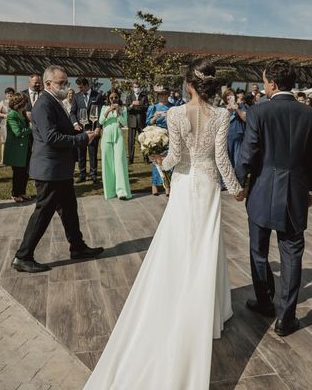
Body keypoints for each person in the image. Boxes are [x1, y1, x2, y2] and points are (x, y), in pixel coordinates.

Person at [83, 60, 243, 390]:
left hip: (185, 185)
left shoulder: (174, 114)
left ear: (188, 85)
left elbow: (173, 157)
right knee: (206, 245)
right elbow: (222, 158)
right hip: (210, 184)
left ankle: (182, 296)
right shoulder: (221, 116)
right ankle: (208, 312)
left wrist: (159, 162)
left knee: (180, 245)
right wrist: (237, 188)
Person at [235, 59, 312, 338]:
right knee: (292, 253)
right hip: (296, 191)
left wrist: (237, 183)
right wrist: (311, 190)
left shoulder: (258, 111)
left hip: (261, 190)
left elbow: (248, 153)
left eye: (264, 80)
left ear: (272, 83)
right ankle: (287, 317)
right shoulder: (310, 114)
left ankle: (264, 302)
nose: (263, 85)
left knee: (258, 250)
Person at [12, 66, 103, 273]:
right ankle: (22, 256)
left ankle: (78, 247)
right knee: (43, 212)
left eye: (66, 82)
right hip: (49, 169)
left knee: (69, 208)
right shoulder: (44, 104)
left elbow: (60, 131)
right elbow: (50, 137)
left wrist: (76, 129)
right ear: (48, 84)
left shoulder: (56, 102)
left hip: (59, 169)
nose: (65, 86)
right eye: (61, 83)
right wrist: (80, 139)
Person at [98, 90, 131, 200]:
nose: (113, 99)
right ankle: (110, 191)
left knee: (120, 163)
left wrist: (118, 112)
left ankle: (121, 191)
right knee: (107, 163)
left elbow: (124, 123)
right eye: (111, 98)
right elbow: (101, 121)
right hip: (106, 136)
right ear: (108, 98)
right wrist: (108, 111)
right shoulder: (103, 108)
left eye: (116, 97)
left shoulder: (123, 109)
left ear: (119, 97)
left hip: (118, 136)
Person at [70, 77, 104, 183]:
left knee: (93, 152)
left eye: (81, 87)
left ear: (86, 85)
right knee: (81, 153)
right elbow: (72, 112)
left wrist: (99, 127)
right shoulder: (77, 97)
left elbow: (101, 113)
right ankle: (82, 174)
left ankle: (93, 174)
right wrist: (75, 124)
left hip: (93, 129)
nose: (80, 89)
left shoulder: (97, 96)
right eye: (78, 87)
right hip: (81, 130)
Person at [4, 93, 32, 203]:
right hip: (16, 150)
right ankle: (15, 194)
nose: (27, 104)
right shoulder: (12, 114)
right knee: (18, 173)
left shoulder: (23, 113)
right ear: (20, 103)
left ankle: (22, 192)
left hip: (26, 148)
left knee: (25, 172)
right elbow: (17, 132)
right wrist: (31, 129)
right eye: (25, 101)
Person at [146, 87, 172, 196]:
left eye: (165, 95)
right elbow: (148, 122)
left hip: (170, 135)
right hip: (156, 135)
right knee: (156, 160)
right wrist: (155, 118)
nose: (163, 97)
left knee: (168, 160)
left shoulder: (173, 107)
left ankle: (167, 186)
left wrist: (170, 117)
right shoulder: (154, 107)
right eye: (161, 95)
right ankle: (155, 185)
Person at [125, 82, 150, 165]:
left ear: (140, 88)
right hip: (132, 121)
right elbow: (127, 109)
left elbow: (147, 107)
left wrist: (140, 104)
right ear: (132, 88)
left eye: (138, 87)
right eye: (135, 87)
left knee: (143, 140)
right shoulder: (129, 96)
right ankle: (130, 159)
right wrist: (132, 105)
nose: (136, 88)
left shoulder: (144, 96)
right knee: (131, 141)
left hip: (141, 121)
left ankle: (146, 158)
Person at [222, 88, 247, 168]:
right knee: (226, 160)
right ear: (225, 98)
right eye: (228, 95)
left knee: (237, 160)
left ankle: (238, 178)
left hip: (238, 136)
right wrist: (227, 111)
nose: (230, 97)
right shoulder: (221, 108)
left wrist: (237, 109)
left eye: (231, 95)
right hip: (225, 136)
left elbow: (245, 118)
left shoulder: (241, 106)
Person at [0, 87, 14, 165]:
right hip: (4, 124)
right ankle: (3, 160)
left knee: (13, 142)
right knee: (4, 142)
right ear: (6, 95)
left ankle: (12, 159)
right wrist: (5, 115)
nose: (10, 95)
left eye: (11, 93)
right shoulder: (2, 102)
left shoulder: (15, 102)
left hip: (14, 124)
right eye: (8, 93)